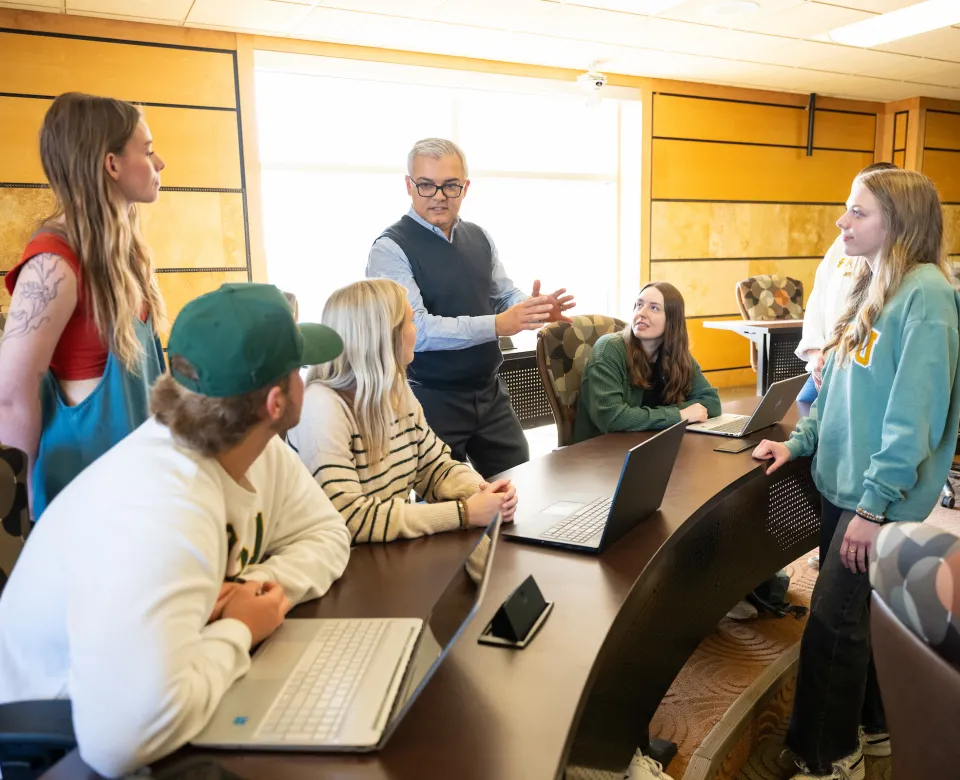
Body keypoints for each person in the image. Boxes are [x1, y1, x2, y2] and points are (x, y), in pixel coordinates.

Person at [0, 284, 352, 777]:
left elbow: (329, 534)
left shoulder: (252, 447)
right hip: (61, 748)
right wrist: (240, 627)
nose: (305, 380)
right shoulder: (164, 507)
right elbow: (119, 741)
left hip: (154, 692)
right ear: (276, 400)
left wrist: (256, 591)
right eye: (298, 369)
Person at [752, 168, 960, 780]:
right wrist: (799, 442)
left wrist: (872, 509)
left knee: (832, 628)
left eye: (856, 212)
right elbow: (836, 389)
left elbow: (913, 418)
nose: (842, 222)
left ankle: (825, 758)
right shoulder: (875, 283)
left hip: (876, 501)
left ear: (896, 223)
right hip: (844, 487)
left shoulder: (926, 295)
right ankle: (872, 731)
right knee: (859, 620)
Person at [0, 92, 167, 519]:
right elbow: (10, 399)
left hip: (140, 488)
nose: (159, 163)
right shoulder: (53, 263)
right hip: (84, 500)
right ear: (111, 164)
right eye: (147, 152)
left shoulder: (126, 255)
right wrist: (29, 510)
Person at [367, 137, 575, 478]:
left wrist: (531, 308)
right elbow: (418, 329)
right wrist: (497, 325)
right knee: (445, 506)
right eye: (426, 185)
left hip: (490, 391)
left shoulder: (479, 236)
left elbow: (504, 293)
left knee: (520, 488)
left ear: (465, 187)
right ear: (409, 185)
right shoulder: (390, 249)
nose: (438, 196)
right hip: (429, 398)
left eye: (450, 186)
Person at [288, 278, 517, 544]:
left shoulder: (396, 389)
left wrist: (483, 493)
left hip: (387, 551)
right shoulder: (322, 407)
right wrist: (465, 512)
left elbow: (434, 467)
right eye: (409, 322)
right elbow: (350, 519)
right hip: (344, 566)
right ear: (382, 334)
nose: (415, 331)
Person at [795, 162, 899, 404]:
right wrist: (814, 352)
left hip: (859, 370)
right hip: (824, 364)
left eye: (859, 211)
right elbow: (818, 297)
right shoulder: (842, 245)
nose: (843, 221)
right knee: (801, 416)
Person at [573, 282, 721, 443]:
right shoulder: (609, 348)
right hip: (600, 453)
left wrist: (657, 417)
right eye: (639, 305)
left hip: (650, 447)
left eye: (654, 308)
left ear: (672, 320)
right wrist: (680, 415)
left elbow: (711, 402)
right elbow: (611, 417)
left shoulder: (677, 355)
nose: (641, 313)